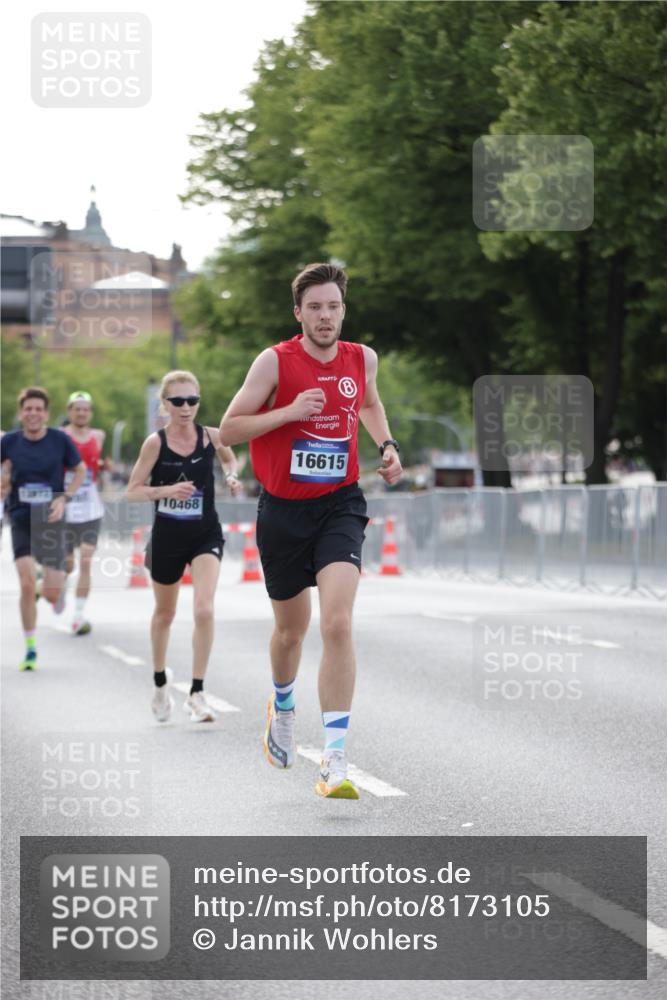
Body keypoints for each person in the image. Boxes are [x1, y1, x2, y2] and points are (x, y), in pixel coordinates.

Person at [219, 262, 403, 799]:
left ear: (344, 310)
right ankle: (281, 704)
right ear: (298, 312)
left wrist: (387, 446)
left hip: (340, 504)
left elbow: (368, 401)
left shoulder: (361, 359)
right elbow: (229, 429)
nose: (326, 317)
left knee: (339, 624)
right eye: (315, 307)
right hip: (282, 512)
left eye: (334, 307)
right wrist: (290, 412)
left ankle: (335, 760)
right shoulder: (274, 362)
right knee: (290, 632)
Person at [126, 370, 242, 723]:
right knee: (165, 614)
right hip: (167, 538)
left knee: (204, 610)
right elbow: (132, 490)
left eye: (192, 400)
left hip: (205, 533)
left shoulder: (210, 436)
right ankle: (161, 682)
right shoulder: (155, 443)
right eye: (178, 401)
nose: (186, 407)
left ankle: (197, 692)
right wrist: (166, 492)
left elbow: (228, 456)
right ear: (165, 404)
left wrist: (232, 475)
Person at [0, 387, 86, 671]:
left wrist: (66, 496)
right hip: (21, 517)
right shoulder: (9, 442)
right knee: (24, 585)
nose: (33, 413)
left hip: (51, 520)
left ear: (46, 414)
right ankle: (30, 650)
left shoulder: (59, 440)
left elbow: (80, 470)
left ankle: (47, 583)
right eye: (28, 409)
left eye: (38, 409)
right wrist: (3, 481)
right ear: (21, 413)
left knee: (50, 594)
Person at [62, 390, 110, 635]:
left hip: (91, 507)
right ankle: (61, 584)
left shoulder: (98, 436)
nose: (81, 412)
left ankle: (78, 616)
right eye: (77, 408)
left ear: (90, 413)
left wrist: (103, 467)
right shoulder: (60, 436)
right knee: (68, 565)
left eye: (85, 409)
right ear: (69, 411)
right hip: (66, 508)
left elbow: (98, 465)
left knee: (87, 561)